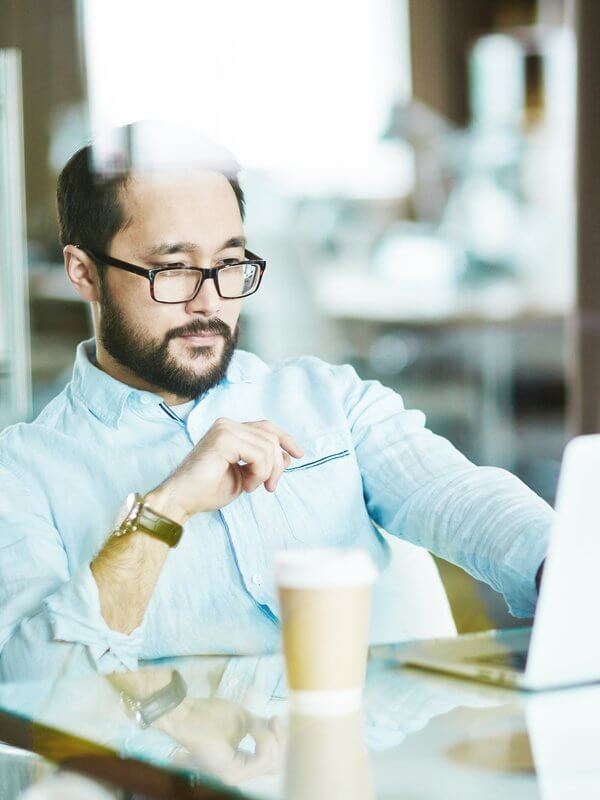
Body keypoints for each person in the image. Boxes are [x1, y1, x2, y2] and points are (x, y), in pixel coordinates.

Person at [0, 122, 551, 681]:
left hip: (381, 756)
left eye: (230, 263)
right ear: (84, 272)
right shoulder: (24, 470)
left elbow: (459, 496)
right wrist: (165, 511)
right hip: (183, 765)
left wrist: (564, 564)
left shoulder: (329, 398)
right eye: (172, 269)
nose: (210, 301)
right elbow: (32, 682)